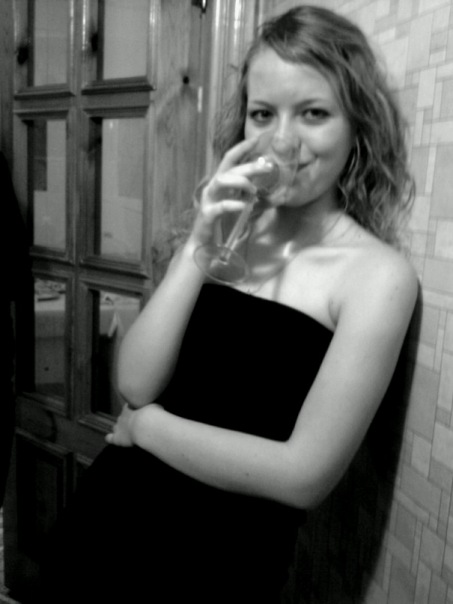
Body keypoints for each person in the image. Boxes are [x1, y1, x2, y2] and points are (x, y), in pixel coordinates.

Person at [39, 5, 418, 603]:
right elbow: (134, 382)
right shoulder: (227, 230)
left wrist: (149, 427)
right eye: (263, 113)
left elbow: (303, 476)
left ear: (357, 125)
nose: (282, 141)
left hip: (222, 562)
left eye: (314, 113)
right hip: (104, 528)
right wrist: (199, 241)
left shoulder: (377, 277)